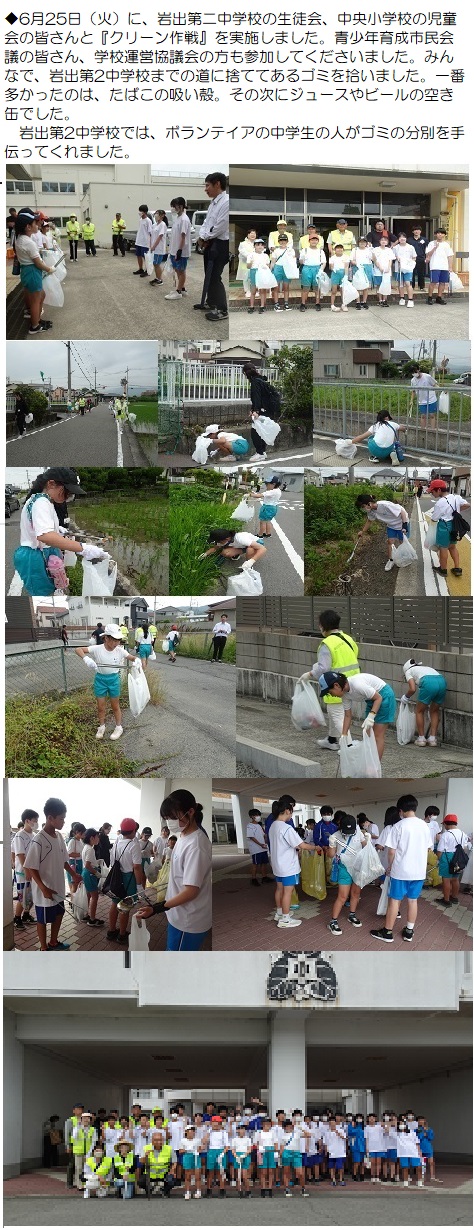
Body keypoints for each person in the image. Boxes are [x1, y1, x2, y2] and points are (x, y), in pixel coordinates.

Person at [137, 789, 212, 951]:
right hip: (176, 913)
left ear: (190, 812)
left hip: (188, 919)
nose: (169, 822)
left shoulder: (196, 845)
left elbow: (191, 891)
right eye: (166, 818)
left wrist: (156, 908)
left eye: (172, 817)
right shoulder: (184, 836)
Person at [13, 467, 99, 597]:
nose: (68, 496)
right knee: (43, 595)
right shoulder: (41, 502)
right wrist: (82, 548)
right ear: (51, 484)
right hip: (37, 555)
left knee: (50, 589)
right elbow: (44, 535)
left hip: (42, 552)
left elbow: (38, 526)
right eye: (67, 492)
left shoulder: (42, 500)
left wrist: (57, 529)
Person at [371, 793, 433, 943]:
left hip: (400, 871)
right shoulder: (424, 826)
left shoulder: (399, 826)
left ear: (401, 810)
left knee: (394, 901)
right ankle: (409, 932)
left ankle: (387, 932)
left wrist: (391, 866)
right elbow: (428, 849)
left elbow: (391, 851)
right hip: (418, 872)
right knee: (413, 901)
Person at [24, 797, 82, 951]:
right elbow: (31, 867)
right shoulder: (39, 840)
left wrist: (74, 874)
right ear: (50, 818)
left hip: (58, 889)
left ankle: (54, 942)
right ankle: (44, 948)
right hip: (44, 891)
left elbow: (63, 860)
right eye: (61, 818)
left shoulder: (60, 838)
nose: (64, 822)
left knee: (59, 915)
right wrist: (43, 888)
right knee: (42, 920)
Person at [299, 611, 360, 752]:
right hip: (351, 684)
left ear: (324, 626)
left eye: (320, 625)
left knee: (338, 717)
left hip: (335, 686)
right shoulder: (348, 639)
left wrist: (309, 674)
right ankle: (332, 740)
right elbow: (353, 656)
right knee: (336, 714)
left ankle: (349, 746)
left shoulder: (327, 644)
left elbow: (323, 668)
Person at [75, 623, 136, 741]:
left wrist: (136, 661)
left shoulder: (119, 651)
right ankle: (101, 726)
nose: (116, 643)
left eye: (118, 641)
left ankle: (119, 727)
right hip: (100, 680)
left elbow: (132, 657)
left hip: (114, 680)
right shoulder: (98, 649)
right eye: (114, 640)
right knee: (101, 706)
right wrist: (86, 659)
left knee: (115, 706)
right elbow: (78, 649)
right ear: (106, 638)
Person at [319, 669, 396, 762]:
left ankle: (375, 767)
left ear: (336, 685)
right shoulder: (344, 695)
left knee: (377, 735)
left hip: (384, 696)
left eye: (330, 693)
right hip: (372, 699)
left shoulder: (357, 685)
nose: (331, 696)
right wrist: (343, 735)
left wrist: (371, 716)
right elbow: (347, 716)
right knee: (368, 734)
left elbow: (378, 698)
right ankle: (369, 763)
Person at [268, 800, 314, 929]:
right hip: (288, 866)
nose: (291, 815)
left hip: (277, 864)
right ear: (287, 811)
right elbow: (302, 845)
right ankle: (285, 919)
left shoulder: (273, 826)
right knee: (288, 892)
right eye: (291, 811)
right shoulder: (286, 827)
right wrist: (316, 847)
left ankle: (280, 913)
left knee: (279, 889)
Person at [14, 209, 54, 334]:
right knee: (36, 300)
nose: (38, 225)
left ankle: (37, 320)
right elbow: (38, 262)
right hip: (32, 271)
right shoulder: (28, 242)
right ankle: (35, 326)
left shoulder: (20, 238)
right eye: (35, 223)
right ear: (28, 227)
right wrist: (49, 269)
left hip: (27, 271)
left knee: (41, 295)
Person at [106, 817, 145, 945]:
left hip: (116, 877)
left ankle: (111, 931)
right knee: (125, 907)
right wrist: (139, 886)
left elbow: (112, 863)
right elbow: (137, 867)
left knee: (114, 903)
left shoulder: (116, 843)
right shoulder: (134, 845)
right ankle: (122, 935)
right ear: (133, 830)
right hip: (129, 878)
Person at [196, 171, 229, 322]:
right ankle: (211, 303)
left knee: (215, 277)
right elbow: (206, 223)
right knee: (208, 274)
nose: (205, 189)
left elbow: (220, 226)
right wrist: (202, 237)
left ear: (217, 184)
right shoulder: (213, 202)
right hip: (210, 242)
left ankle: (222, 309)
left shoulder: (226, 202)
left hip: (220, 244)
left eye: (207, 185)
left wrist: (206, 237)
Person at [327, 814, 367, 935]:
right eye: (346, 831)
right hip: (344, 867)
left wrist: (368, 843)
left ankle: (352, 914)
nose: (349, 833)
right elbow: (331, 855)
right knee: (343, 896)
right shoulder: (334, 836)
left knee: (356, 893)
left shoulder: (359, 833)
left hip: (358, 866)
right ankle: (333, 921)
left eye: (351, 831)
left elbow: (365, 846)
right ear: (340, 826)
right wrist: (331, 847)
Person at [355, 492, 411, 573]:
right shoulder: (370, 511)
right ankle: (391, 560)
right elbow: (369, 521)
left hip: (401, 522)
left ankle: (405, 557)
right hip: (391, 525)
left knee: (402, 542)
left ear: (369, 503)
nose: (363, 509)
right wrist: (362, 531)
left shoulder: (384, 505)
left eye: (363, 506)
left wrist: (405, 525)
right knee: (390, 542)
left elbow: (401, 511)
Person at [425, 478, 470, 578]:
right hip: (455, 525)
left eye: (433, 491)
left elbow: (434, 518)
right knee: (453, 547)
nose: (432, 494)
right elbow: (467, 504)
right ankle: (457, 569)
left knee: (443, 548)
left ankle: (443, 570)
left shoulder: (440, 503)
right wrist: (456, 511)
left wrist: (431, 521)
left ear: (439, 490)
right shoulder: (456, 497)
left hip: (444, 526)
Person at [401, 657, 448, 747]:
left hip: (428, 683)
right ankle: (432, 739)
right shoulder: (425, 668)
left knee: (419, 711)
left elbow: (412, 689)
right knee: (434, 711)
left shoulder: (408, 671)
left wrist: (406, 697)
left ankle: (421, 739)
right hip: (442, 681)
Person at [436, 814, 472, 907]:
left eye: (444, 824)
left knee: (446, 879)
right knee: (455, 879)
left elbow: (439, 850)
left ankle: (446, 900)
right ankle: (454, 897)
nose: (444, 826)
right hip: (458, 857)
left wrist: (439, 860)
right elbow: (464, 847)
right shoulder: (463, 833)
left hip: (447, 857)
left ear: (447, 824)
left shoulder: (446, 834)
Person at [12, 809, 38, 930]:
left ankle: (26, 916)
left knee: (30, 896)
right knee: (23, 897)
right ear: (27, 821)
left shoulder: (33, 835)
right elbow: (20, 855)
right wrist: (27, 871)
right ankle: (17, 918)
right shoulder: (19, 835)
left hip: (32, 871)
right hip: (23, 872)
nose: (36, 823)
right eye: (34, 821)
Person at [200, 528, 267, 570]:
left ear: (226, 539)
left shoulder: (240, 538)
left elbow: (263, 549)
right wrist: (205, 554)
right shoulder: (223, 540)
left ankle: (248, 566)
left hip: (256, 544)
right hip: (243, 546)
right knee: (226, 552)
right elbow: (215, 548)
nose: (217, 543)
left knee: (250, 550)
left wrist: (251, 561)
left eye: (218, 541)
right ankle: (237, 554)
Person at [165, 196, 191, 300]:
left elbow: (183, 236)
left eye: (174, 206)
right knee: (177, 269)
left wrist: (179, 250)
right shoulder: (178, 218)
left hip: (181, 250)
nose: (173, 208)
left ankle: (178, 291)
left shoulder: (184, 219)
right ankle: (182, 288)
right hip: (174, 249)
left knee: (181, 270)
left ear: (180, 206)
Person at [246, 238, 277, 314]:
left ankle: (262, 306)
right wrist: (251, 262)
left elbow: (268, 265)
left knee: (262, 291)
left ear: (264, 247)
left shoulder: (266, 256)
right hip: (254, 271)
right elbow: (248, 266)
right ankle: (251, 306)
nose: (260, 246)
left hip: (263, 272)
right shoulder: (251, 255)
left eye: (261, 245)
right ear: (254, 246)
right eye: (257, 245)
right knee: (253, 290)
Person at [81, 828, 104, 927]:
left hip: (86, 873)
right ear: (92, 838)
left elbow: (88, 863)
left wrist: (96, 862)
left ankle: (86, 915)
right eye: (97, 837)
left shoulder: (86, 847)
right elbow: (87, 865)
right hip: (90, 873)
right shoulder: (90, 849)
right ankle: (92, 919)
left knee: (88, 896)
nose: (98, 838)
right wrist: (96, 873)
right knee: (95, 897)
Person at [299, 232, 326, 311]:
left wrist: (321, 270)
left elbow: (324, 262)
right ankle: (303, 304)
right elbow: (301, 262)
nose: (314, 241)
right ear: (309, 241)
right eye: (312, 240)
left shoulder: (321, 251)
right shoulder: (305, 250)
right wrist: (302, 258)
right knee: (305, 287)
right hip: (306, 269)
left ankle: (317, 303)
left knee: (317, 288)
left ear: (318, 241)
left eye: (315, 240)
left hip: (317, 269)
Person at [426, 228, 454, 304]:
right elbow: (428, 254)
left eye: (442, 233)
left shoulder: (446, 245)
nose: (440, 234)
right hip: (434, 266)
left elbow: (450, 256)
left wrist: (450, 267)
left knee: (442, 282)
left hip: (444, 266)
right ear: (435, 234)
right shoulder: (431, 243)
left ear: (444, 235)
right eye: (438, 233)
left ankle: (439, 297)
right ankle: (430, 297)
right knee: (433, 282)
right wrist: (435, 248)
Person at [270, 232, 296, 311]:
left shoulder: (291, 250)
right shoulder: (276, 251)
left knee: (286, 287)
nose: (283, 242)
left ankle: (286, 304)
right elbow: (273, 262)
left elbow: (293, 261)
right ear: (278, 241)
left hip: (287, 268)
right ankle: (276, 304)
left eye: (284, 240)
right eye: (281, 240)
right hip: (278, 268)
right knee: (276, 287)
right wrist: (270, 271)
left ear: (287, 241)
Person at [71, 1112, 97, 1189]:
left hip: (88, 1152)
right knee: (78, 1168)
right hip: (78, 1151)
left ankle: (87, 1183)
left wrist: (89, 1152)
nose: (86, 1120)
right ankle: (79, 1184)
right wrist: (79, 1127)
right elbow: (74, 1137)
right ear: (81, 1119)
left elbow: (94, 1141)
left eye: (88, 1118)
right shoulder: (76, 1128)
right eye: (84, 1118)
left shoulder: (92, 1129)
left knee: (88, 1168)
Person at [246, 808, 272, 885]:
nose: (258, 817)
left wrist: (266, 839)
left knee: (264, 863)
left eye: (259, 815)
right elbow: (251, 837)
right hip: (256, 849)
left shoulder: (259, 825)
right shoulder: (250, 826)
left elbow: (263, 835)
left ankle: (264, 877)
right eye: (256, 815)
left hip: (263, 848)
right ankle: (253, 879)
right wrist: (260, 844)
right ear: (251, 816)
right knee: (255, 864)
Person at [397, 1118, 423, 1187]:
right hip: (403, 1153)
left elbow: (417, 1143)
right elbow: (387, 1130)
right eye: (400, 1124)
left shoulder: (412, 1133)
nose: (401, 1125)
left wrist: (419, 1151)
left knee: (418, 1167)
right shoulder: (397, 1134)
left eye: (402, 1124)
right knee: (405, 1167)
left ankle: (419, 1181)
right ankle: (405, 1181)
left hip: (413, 1152)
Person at [392, 233, 417, 307]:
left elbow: (414, 257)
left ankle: (410, 300)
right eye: (400, 237)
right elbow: (392, 257)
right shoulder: (396, 248)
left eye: (404, 237)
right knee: (400, 284)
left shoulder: (410, 247)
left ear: (406, 238)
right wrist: (397, 258)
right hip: (398, 268)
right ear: (398, 239)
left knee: (408, 283)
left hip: (408, 268)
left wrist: (411, 264)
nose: (402, 239)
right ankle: (402, 298)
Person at [349, 235, 373, 309]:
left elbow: (373, 259)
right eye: (360, 242)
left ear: (366, 243)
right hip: (357, 268)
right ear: (358, 243)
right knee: (357, 285)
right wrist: (356, 264)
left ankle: (364, 301)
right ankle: (358, 302)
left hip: (367, 267)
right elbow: (351, 260)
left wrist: (372, 250)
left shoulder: (369, 250)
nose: (362, 243)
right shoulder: (355, 250)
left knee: (366, 286)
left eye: (364, 242)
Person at [417, 1117, 441, 1183]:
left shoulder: (429, 1129)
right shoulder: (417, 1129)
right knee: (422, 1163)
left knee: (431, 1163)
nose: (421, 1121)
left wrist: (426, 1132)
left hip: (428, 1147)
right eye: (419, 1120)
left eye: (422, 1120)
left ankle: (432, 1177)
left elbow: (431, 1137)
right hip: (421, 1147)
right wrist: (422, 1134)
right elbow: (418, 1138)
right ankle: (422, 1176)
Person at [371, 235, 395, 306]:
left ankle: (385, 300)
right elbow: (374, 260)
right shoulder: (375, 249)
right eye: (382, 240)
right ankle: (380, 300)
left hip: (387, 271)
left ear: (387, 242)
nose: (383, 241)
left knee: (386, 285)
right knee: (379, 285)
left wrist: (388, 268)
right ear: (379, 242)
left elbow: (390, 260)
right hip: (378, 270)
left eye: (385, 240)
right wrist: (379, 267)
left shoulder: (389, 250)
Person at [231, 1124, 253, 1196]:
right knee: (238, 1175)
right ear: (237, 1131)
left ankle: (247, 1190)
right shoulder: (234, 1139)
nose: (242, 1131)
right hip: (237, 1156)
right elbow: (233, 1150)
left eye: (243, 1129)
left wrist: (245, 1155)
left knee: (245, 1175)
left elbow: (249, 1149)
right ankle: (239, 1190)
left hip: (245, 1156)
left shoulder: (248, 1139)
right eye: (240, 1129)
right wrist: (236, 1156)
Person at [325, 1116, 347, 1187]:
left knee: (340, 1167)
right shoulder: (327, 1132)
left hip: (340, 1152)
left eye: (333, 1123)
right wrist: (326, 1150)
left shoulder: (341, 1130)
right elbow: (325, 1142)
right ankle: (333, 1179)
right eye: (331, 1124)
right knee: (332, 1167)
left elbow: (345, 1138)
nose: (332, 1125)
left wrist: (338, 1133)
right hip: (331, 1152)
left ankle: (341, 1179)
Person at [66, 821, 85, 897]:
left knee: (78, 884)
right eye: (82, 833)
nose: (84, 834)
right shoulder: (72, 841)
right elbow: (69, 854)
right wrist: (81, 854)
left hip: (80, 863)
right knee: (75, 885)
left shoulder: (80, 841)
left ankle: (76, 901)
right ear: (77, 832)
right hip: (74, 864)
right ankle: (73, 903)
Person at [149, 209, 168, 285]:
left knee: (157, 264)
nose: (156, 215)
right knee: (155, 264)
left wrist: (153, 246)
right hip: (154, 248)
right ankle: (157, 278)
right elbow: (151, 236)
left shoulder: (162, 225)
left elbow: (160, 237)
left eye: (157, 213)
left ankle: (160, 280)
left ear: (162, 215)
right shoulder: (155, 225)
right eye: (155, 213)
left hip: (159, 248)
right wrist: (150, 246)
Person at [236, 227, 257, 297]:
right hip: (244, 263)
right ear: (248, 235)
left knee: (254, 277)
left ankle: (253, 290)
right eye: (251, 233)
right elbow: (243, 252)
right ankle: (247, 291)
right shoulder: (242, 244)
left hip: (255, 263)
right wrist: (253, 256)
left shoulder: (257, 243)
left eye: (254, 234)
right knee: (246, 277)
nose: (253, 235)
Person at [364, 1113, 385, 1184]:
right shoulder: (366, 1128)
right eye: (370, 1118)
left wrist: (384, 1124)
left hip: (379, 1147)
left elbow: (387, 1130)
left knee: (378, 1163)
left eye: (373, 1118)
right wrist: (367, 1148)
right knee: (372, 1163)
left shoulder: (379, 1126)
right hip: (371, 1147)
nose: (372, 1119)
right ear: (368, 1119)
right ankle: (372, 1176)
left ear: (375, 1119)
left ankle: (378, 1176)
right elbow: (366, 1138)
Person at [329, 244, 349, 312]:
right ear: (335, 250)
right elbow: (331, 267)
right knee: (334, 290)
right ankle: (332, 305)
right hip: (335, 274)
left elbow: (346, 267)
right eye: (337, 248)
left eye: (341, 248)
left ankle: (344, 305)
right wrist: (334, 269)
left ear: (343, 249)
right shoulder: (332, 258)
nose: (339, 249)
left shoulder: (346, 257)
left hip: (343, 274)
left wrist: (346, 275)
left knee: (343, 290)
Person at [410, 225, 428, 290]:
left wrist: (427, 257)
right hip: (411, 259)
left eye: (418, 230)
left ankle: (421, 287)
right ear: (413, 231)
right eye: (415, 230)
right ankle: (412, 287)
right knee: (412, 273)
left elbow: (427, 249)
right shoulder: (409, 240)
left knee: (421, 273)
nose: (416, 231)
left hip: (421, 258)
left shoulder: (424, 240)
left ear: (420, 231)